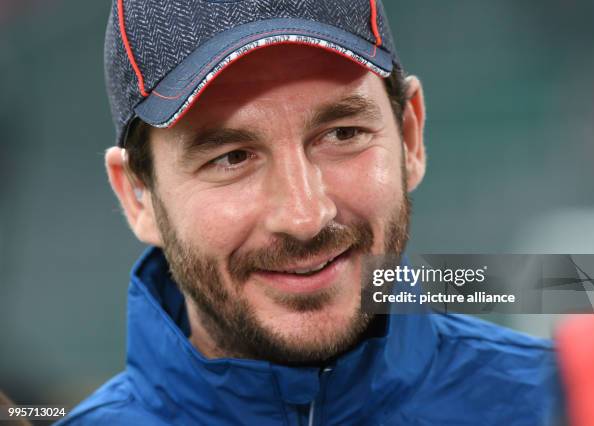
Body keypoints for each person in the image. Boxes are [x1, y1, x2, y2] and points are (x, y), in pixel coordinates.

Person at [58, 0, 561, 424]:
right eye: (230, 158)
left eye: (342, 134)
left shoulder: (569, 407)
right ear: (137, 197)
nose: (305, 216)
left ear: (409, 138)